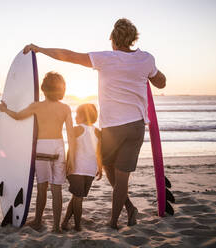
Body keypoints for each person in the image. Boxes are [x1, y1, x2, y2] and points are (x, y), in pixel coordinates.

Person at [23, 18, 166, 229]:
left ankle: (127, 209)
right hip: (136, 126)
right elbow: (161, 82)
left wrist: (40, 49)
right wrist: (148, 74)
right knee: (123, 177)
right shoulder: (146, 59)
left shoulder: (105, 58)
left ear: (113, 41)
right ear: (133, 38)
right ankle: (115, 221)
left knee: (109, 168)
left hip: (113, 128)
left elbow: (69, 56)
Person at [0, 71, 76, 233]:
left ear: (44, 88)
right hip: (58, 148)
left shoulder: (37, 106)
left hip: (41, 148)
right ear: (61, 90)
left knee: (42, 188)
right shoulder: (65, 108)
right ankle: (56, 227)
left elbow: (19, 116)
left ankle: (38, 221)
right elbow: (71, 135)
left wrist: (5, 110)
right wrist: (71, 158)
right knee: (57, 190)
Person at [61, 103, 103, 232]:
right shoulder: (97, 131)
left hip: (79, 167)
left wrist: (68, 163)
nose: (75, 117)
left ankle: (66, 222)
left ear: (84, 116)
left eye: (77, 114)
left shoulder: (78, 129)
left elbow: (71, 149)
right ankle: (77, 225)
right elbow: (99, 152)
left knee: (76, 197)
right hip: (85, 169)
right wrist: (100, 167)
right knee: (78, 197)